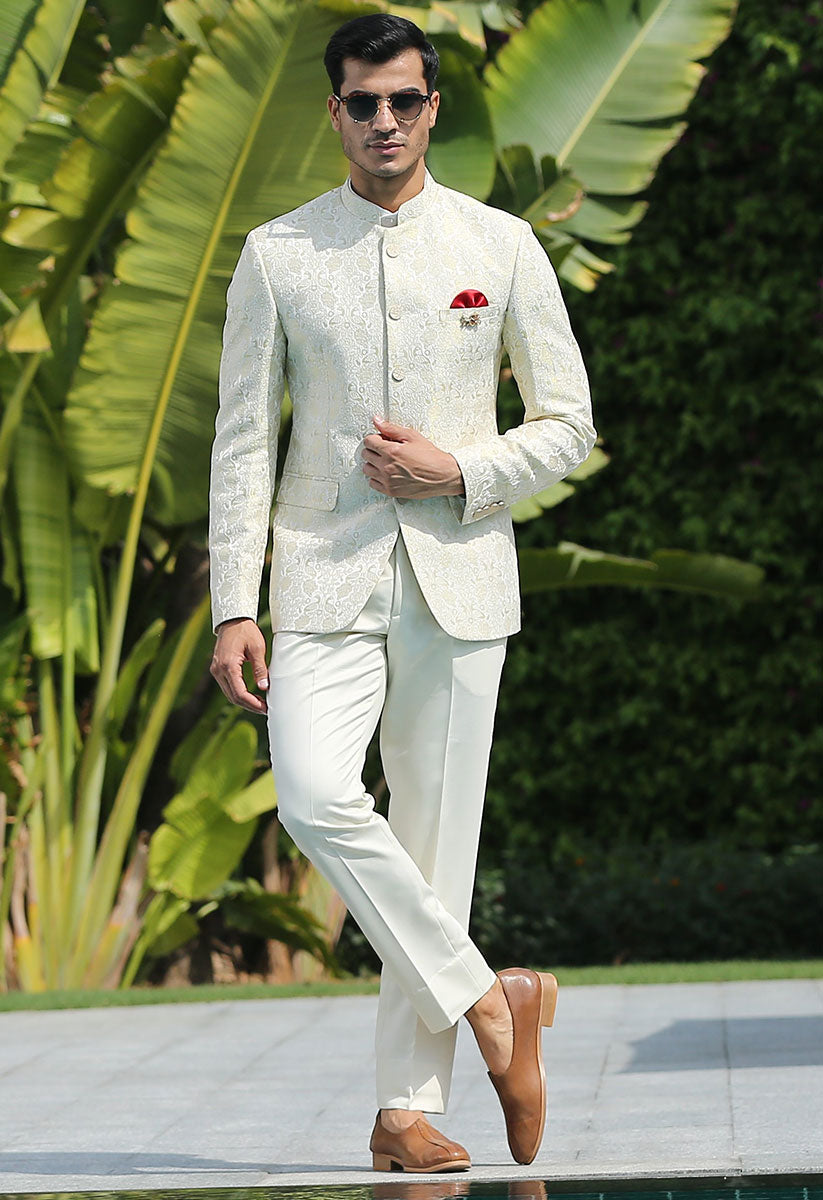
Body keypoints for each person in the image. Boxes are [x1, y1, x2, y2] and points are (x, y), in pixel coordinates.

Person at [208, 12, 596, 1174]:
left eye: (404, 101)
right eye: (363, 102)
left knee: (432, 854)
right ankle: (490, 1000)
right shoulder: (277, 254)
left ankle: (403, 1115)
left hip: (460, 580)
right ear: (334, 111)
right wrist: (234, 602)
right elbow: (241, 444)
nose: (385, 120)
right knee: (313, 794)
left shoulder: (501, 245)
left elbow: (568, 423)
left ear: (432, 109)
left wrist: (460, 470)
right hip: (319, 579)